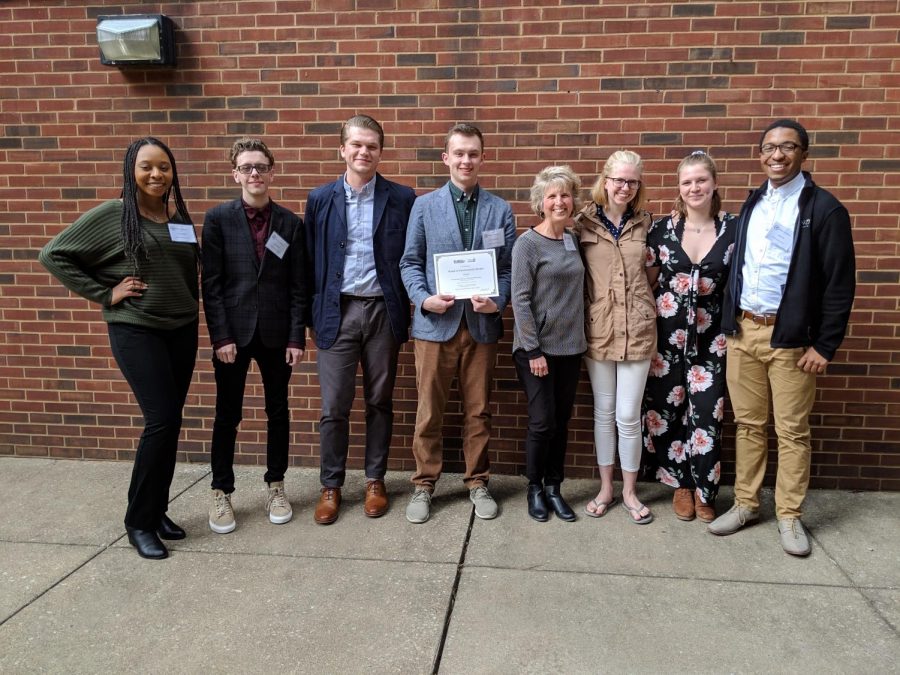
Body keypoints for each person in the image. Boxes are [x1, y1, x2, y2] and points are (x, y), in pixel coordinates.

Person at [39, 137, 199, 560]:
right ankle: (139, 522)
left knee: (171, 422)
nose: (156, 174)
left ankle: (158, 509)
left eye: (163, 167)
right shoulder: (115, 214)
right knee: (160, 420)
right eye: (147, 166)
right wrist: (104, 293)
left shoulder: (174, 214)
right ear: (132, 170)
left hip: (181, 329)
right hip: (138, 330)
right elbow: (54, 254)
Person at [708, 119, 855, 556]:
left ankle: (789, 515)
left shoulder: (824, 209)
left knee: (792, 431)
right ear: (760, 154)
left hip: (790, 340)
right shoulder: (752, 203)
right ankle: (747, 504)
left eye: (787, 147)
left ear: (803, 155)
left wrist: (825, 345)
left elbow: (839, 283)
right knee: (749, 426)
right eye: (769, 147)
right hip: (744, 332)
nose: (777, 155)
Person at [400, 123, 516, 524]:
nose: (466, 160)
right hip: (436, 326)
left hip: (481, 328)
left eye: (473, 154)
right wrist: (423, 299)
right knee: (429, 409)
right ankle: (423, 484)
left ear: (483, 158)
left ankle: (477, 480)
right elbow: (409, 262)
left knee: (478, 411)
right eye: (459, 153)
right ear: (446, 158)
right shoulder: (424, 207)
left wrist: (496, 301)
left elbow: (507, 270)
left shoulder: (499, 210)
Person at [304, 114, 416, 525]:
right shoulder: (320, 199)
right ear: (342, 149)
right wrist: (309, 316)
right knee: (334, 406)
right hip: (338, 311)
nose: (363, 152)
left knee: (379, 401)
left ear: (380, 152)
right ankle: (331, 485)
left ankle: (375, 480)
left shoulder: (402, 197)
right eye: (356, 145)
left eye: (371, 146)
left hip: (383, 311)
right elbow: (310, 261)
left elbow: (410, 255)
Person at [201, 138, 308, 534]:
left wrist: (297, 338)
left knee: (278, 412)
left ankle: (276, 485)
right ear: (235, 174)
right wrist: (220, 337)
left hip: (278, 336)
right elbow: (211, 285)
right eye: (246, 167)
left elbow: (300, 287)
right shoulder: (218, 220)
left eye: (261, 166)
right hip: (233, 336)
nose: (254, 174)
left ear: (272, 172)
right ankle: (221, 490)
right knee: (228, 414)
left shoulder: (291, 223)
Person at [643, 151, 736, 523]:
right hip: (666, 341)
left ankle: (705, 492)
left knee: (708, 416)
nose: (694, 187)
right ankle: (680, 484)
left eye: (701, 180)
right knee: (666, 411)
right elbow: (647, 284)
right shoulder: (662, 230)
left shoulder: (733, 228)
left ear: (714, 183)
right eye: (687, 182)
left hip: (713, 341)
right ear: (679, 188)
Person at [576, 150, 657, 524]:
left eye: (632, 181)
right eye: (619, 179)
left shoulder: (648, 224)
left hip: (637, 331)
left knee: (628, 414)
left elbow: (655, 274)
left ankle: (629, 490)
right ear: (605, 180)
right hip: (599, 330)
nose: (624, 187)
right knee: (604, 413)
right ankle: (606, 487)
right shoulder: (582, 224)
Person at [511, 166, 586, 522]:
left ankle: (555, 487)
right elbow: (520, 300)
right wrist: (533, 351)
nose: (559, 201)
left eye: (565, 194)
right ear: (540, 203)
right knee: (542, 422)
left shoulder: (572, 239)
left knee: (561, 420)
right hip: (537, 351)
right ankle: (535, 488)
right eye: (552, 196)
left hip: (571, 348)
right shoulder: (527, 244)